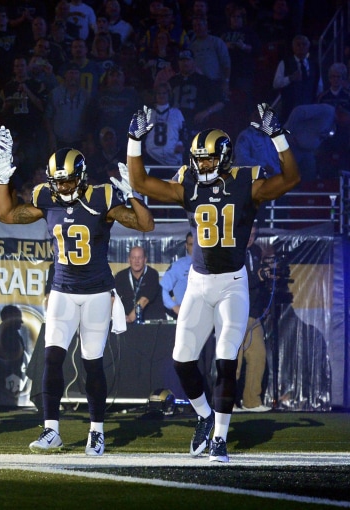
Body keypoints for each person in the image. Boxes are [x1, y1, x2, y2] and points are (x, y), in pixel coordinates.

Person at [125, 102, 300, 462]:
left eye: (207, 159)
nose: (201, 165)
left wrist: (279, 138)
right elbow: (140, 182)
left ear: (223, 157)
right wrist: (133, 142)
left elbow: (292, 179)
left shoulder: (246, 182)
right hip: (199, 284)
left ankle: (219, 437)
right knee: (182, 361)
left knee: (224, 360)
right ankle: (205, 415)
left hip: (232, 283)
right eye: (198, 159)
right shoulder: (188, 183)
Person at [0, 131, 154, 455]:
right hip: (63, 292)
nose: (62, 188)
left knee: (91, 363)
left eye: (67, 182)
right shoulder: (46, 197)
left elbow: (145, 224)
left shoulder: (100, 197)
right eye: (58, 181)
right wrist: (1, 180)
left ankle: (96, 431)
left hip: (95, 294)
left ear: (80, 178)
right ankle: (51, 430)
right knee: (52, 360)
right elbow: (7, 215)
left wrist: (135, 195)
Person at [234, 223, 271, 413]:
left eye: (254, 234)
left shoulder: (256, 251)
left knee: (258, 355)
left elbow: (259, 283)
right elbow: (237, 281)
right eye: (248, 233)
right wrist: (258, 277)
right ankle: (229, 403)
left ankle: (252, 401)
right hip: (234, 314)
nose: (250, 238)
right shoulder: (231, 251)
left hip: (253, 315)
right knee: (234, 361)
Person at [0, 304, 27, 407]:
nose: (20, 324)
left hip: (5, 379)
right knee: (0, 407)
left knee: (5, 408)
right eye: (18, 320)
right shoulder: (8, 337)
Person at [114, 245, 165, 323]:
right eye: (133, 258)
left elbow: (144, 300)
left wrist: (130, 319)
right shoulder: (120, 276)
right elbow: (113, 299)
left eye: (140, 258)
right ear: (129, 260)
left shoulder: (152, 274)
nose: (136, 261)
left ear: (145, 260)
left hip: (150, 323)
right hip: (126, 323)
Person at [160, 232, 193, 318]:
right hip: (186, 316)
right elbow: (162, 289)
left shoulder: (210, 265)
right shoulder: (178, 266)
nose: (195, 248)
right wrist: (174, 307)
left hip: (208, 316)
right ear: (186, 246)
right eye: (191, 244)